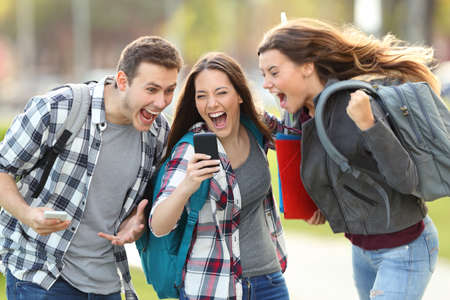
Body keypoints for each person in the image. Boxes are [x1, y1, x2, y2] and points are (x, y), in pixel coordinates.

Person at [258, 18, 439, 300]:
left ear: (307, 66)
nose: (267, 84)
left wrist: (370, 125)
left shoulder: (356, 103)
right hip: (362, 250)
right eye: (264, 75)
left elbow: (407, 179)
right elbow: (341, 168)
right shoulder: (304, 113)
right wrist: (323, 207)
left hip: (405, 249)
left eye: (273, 72)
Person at [0, 36, 183, 300]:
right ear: (122, 81)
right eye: (151, 89)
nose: (161, 101)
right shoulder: (59, 108)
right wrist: (28, 215)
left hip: (106, 283)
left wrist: (137, 219)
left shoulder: (158, 133)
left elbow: (146, 199)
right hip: (42, 277)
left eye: (169, 90)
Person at [150, 52, 289, 300]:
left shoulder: (256, 126)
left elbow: (296, 138)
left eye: (221, 92)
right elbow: (159, 225)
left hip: (269, 281)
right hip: (212, 288)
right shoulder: (191, 148)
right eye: (202, 96)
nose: (211, 104)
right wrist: (187, 186)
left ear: (239, 95)